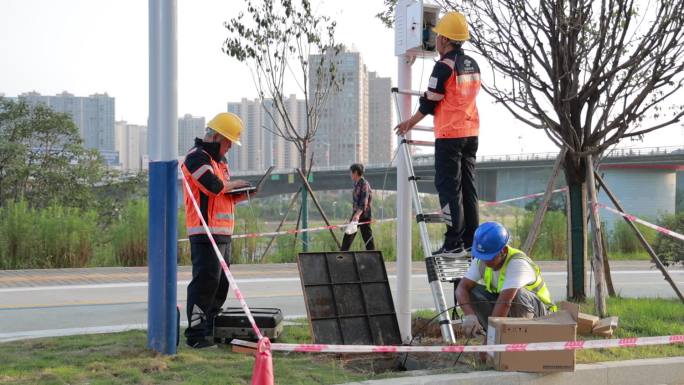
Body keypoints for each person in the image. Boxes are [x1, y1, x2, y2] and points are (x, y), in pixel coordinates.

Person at [395, 11, 481, 255]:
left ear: (445, 39)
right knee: (468, 188)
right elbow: (455, 97)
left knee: (448, 188)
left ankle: (453, 242)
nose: (436, 41)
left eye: (438, 37)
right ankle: (471, 240)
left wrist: (410, 122)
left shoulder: (444, 66)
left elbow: (431, 101)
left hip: (450, 136)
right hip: (471, 132)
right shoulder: (472, 65)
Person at [181, 112, 252, 348]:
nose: (230, 147)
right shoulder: (195, 158)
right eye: (228, 141)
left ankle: (210, 330)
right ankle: (196, 336)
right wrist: (233, 185)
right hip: (204, 231)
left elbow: (224, 194)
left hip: (223, 232)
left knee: (220, 285)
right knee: (204, 284)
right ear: (215, 137)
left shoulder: (220, 162)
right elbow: (213, 186)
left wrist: (243, 192)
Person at [455, 222, 557, 337]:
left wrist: (490, 341)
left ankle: (518, 338)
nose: (486, 261)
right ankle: (495, 333)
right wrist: (470, 315)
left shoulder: (517, 263)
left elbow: (505, 302)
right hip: (511, 309)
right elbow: (461, 288)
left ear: (504, 251)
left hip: (542, 316)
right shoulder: (481, 260)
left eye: (489, 257)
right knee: (472, 291)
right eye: (482, 257)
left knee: (517, 294)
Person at [340, 163, 375, 251]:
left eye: (351, 172)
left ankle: (373, 258)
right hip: (357, 215)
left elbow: (364, 201)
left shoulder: (364, 184)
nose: (350, 174)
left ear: (355, 172)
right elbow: (356, 204)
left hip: (364, 216)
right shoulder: (357, 184)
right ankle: (342, 257)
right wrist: (352, 218)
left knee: (368, 239)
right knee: (348, 237)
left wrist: (357, 215)